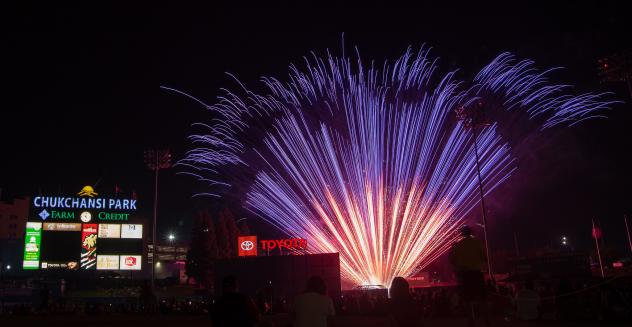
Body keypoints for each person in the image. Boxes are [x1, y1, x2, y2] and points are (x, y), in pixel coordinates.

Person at [448, 225, 489, 326]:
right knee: (481, 298)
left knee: (468, 299)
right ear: (471, 233)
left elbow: (451, 260)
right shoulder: (477, 242)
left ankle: (471, 319)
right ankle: (485, 319)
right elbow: (484, 257)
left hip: (464, 274)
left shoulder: (456, 245)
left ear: (461, 233)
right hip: (476, 273)